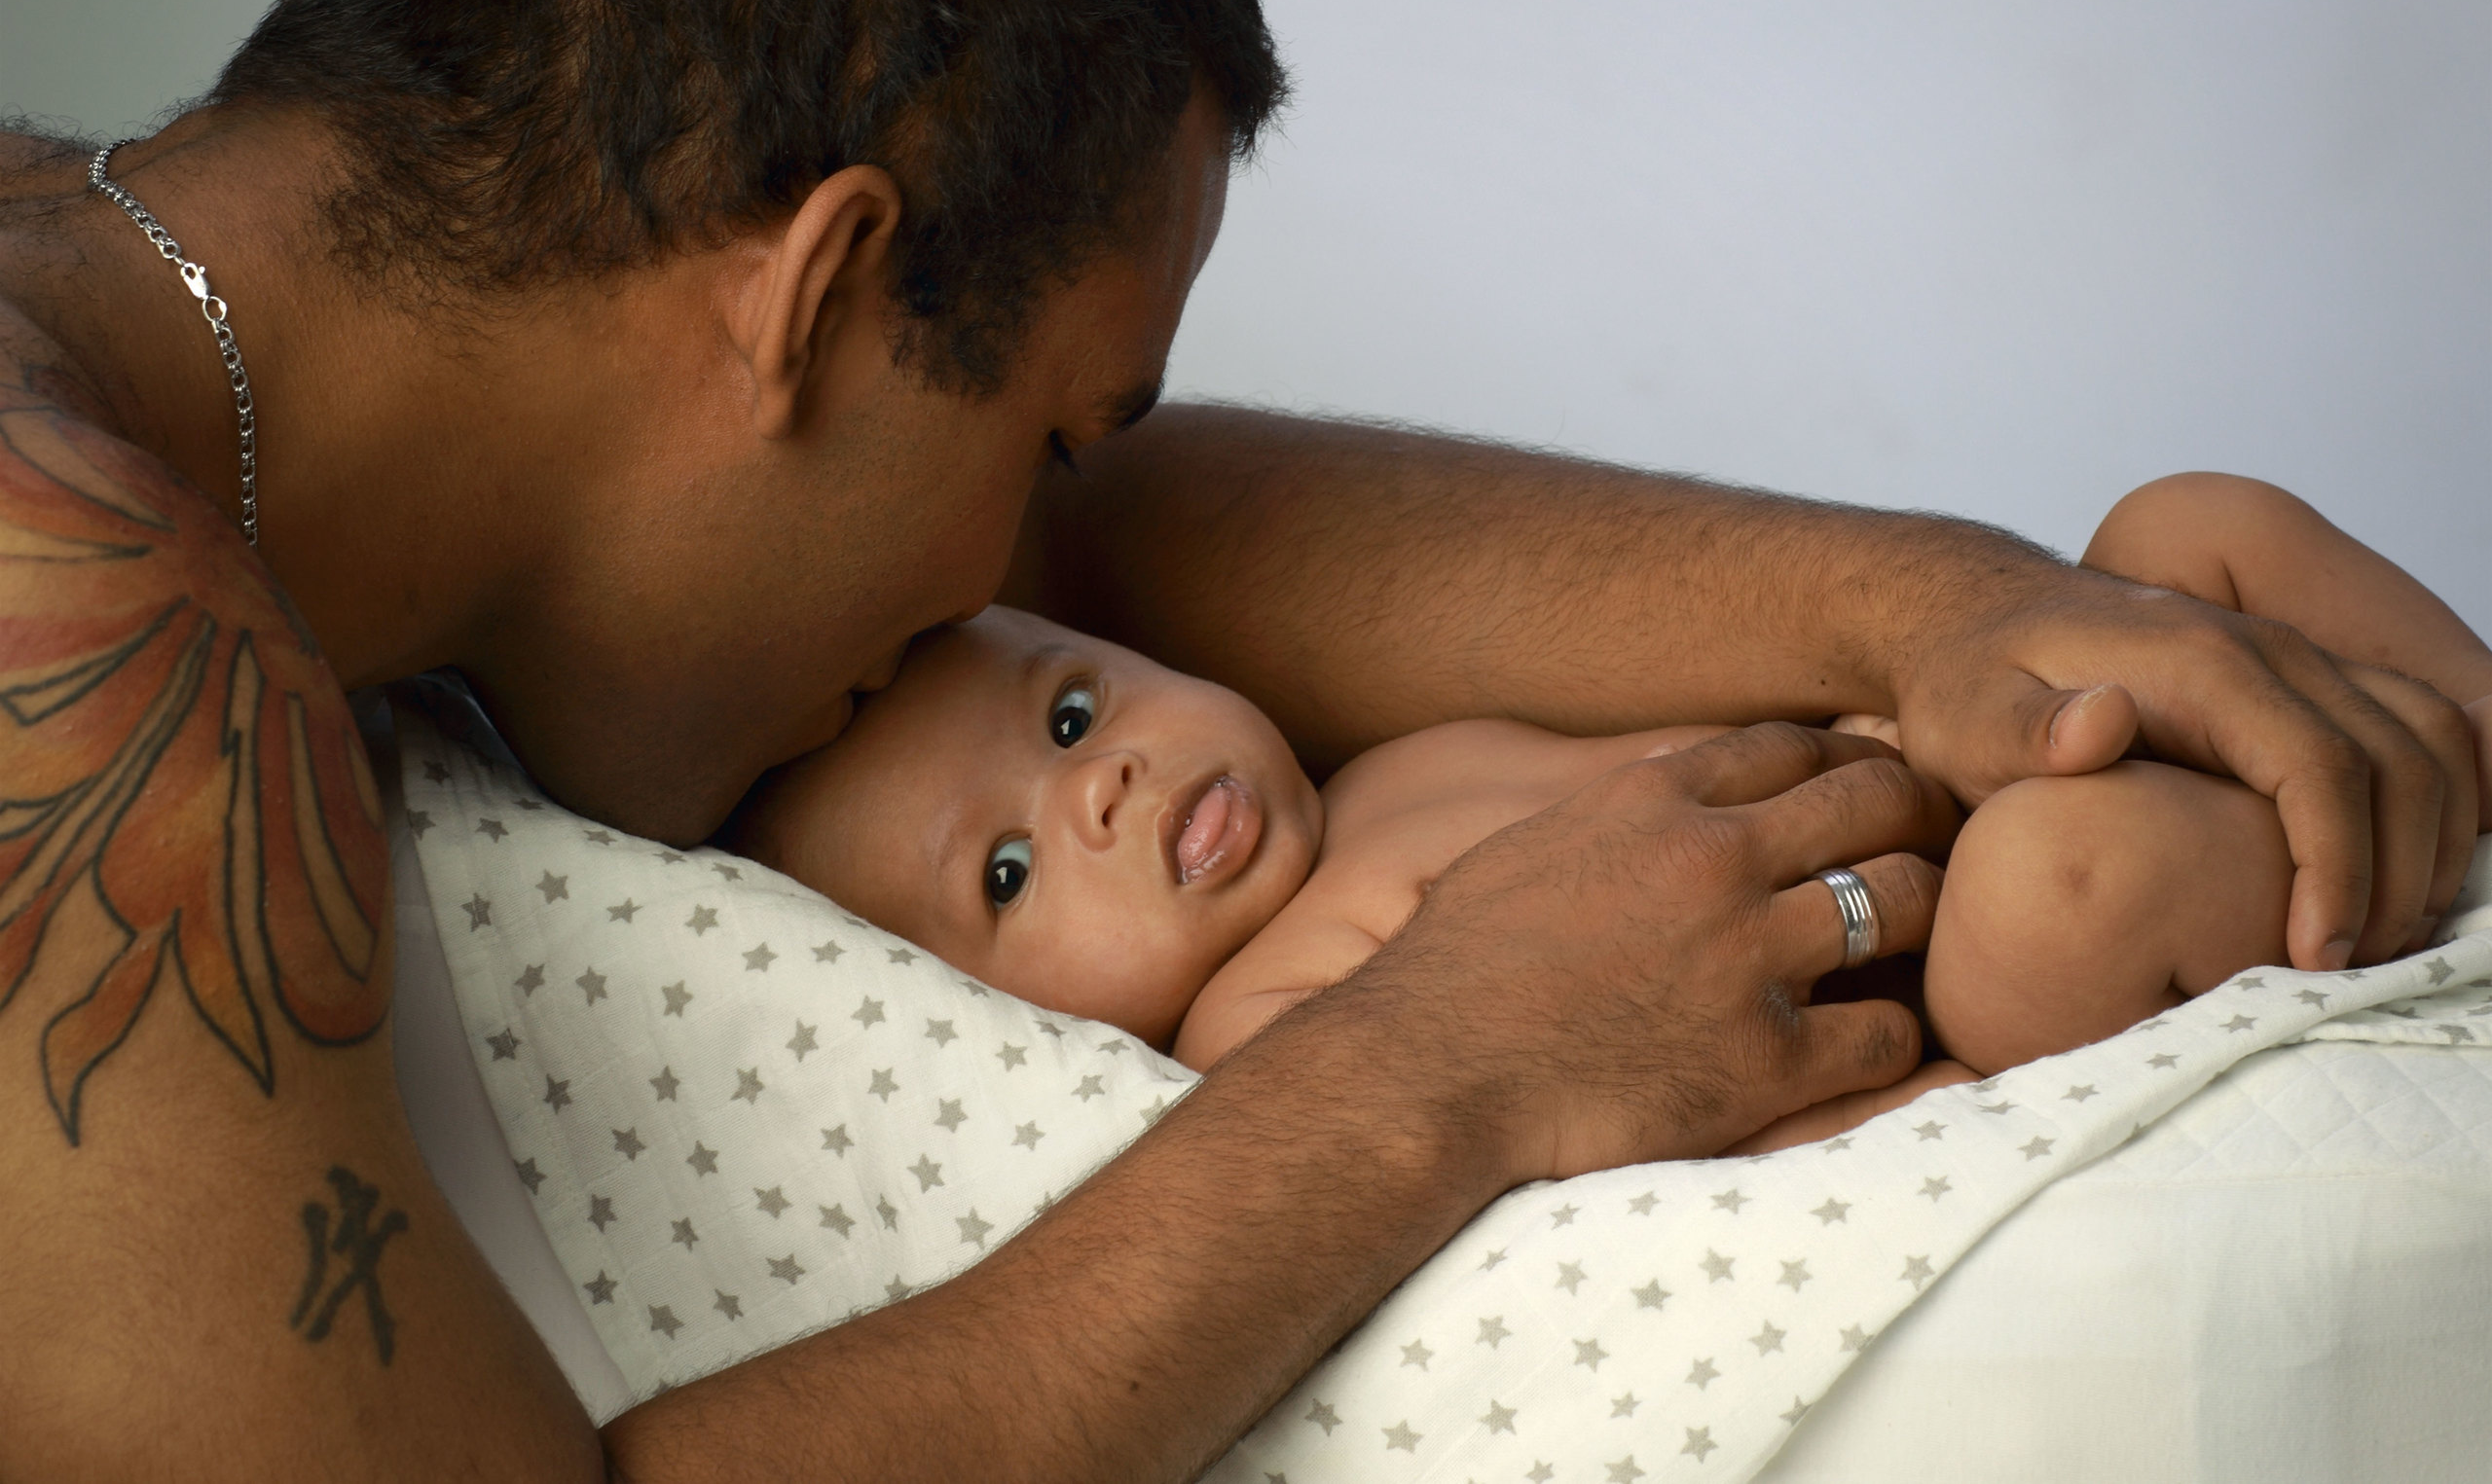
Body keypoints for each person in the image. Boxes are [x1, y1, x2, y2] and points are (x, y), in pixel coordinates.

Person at [0, 0, 2476, 1478]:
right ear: (817, 286)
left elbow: (1131, 540)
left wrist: (1929, 600)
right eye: (1050, 431)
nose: (1036, 568)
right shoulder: (91, 651)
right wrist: (1431, 1068)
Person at [730, 474, 2492, 1089]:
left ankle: (2459, 741)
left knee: (2190, 526)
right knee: (2051, 899)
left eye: (1068, 713)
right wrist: (1909, 1104)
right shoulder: (1256, 1029)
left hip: (1966, 772)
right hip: (1963, 957)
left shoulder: (1384, 755)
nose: (1103, 789)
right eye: (1009, 874)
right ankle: (2362, 839)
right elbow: (1597, 1115)